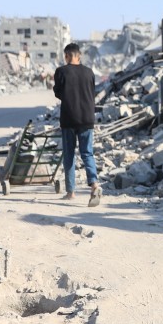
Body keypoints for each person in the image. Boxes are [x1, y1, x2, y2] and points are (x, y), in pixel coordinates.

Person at [53, 43, 102, 206]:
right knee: (87, 153)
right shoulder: (89, 72)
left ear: (67, 55)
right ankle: (94, 184)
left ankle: (71, 192)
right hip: (87, 118)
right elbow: (91, 92)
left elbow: (58, 92)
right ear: (79, 55)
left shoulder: (61, 72)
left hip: (69, 119)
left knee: (69, 155)